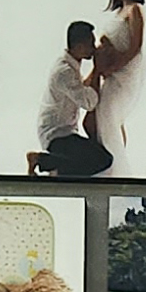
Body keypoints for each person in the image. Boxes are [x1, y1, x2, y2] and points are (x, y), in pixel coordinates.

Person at [23, 18, 109, 178]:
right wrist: (98, 69)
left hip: (64, 132)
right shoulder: (65, 72)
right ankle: (41, 161)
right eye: (91, 44)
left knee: (95, 155)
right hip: (57, 134)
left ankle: (52, 166)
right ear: (79, 47)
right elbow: (89, 103)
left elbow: (82, 90)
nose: (94, 48)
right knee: (103, 160)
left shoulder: (69, 66)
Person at [90, 0, 146, 170]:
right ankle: (112, 165)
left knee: (109, 115)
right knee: (107, 117)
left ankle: (115, 168)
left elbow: (135, 47)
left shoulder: (135, 10)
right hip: (112, 71)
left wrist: (113, 67)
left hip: (125, 73)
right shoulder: (119, 11)